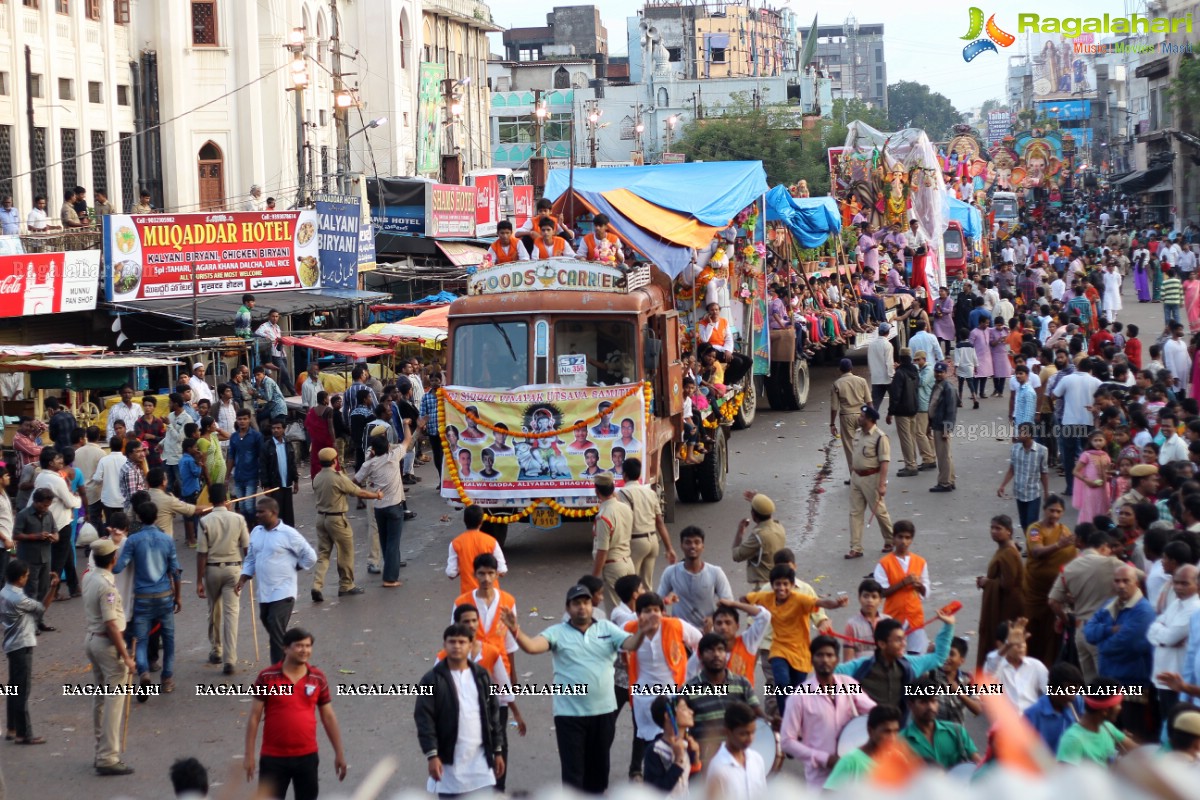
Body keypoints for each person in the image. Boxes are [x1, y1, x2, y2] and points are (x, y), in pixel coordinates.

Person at [500, 584, 651, 794]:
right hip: (569, 716)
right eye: (577, 603)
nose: (582, 607)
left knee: (598, 777)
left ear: (592, 605)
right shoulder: (556, 633)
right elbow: (532, 647)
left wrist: (643, 630)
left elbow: (631, 644)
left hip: (604, 713)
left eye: (586, 602)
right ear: (568, 608)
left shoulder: (607, 629)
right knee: (573, 778)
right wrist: (515, 630)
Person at [244, 628, 347, 800]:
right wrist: (249, 756)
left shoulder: (318, 678)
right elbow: (254, 717)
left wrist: (339, 753)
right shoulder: (267, 677)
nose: (304, 650)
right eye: (299, 645)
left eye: (308, 646)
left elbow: (328, 717)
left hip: (307, 757)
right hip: (273, 758)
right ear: (285, 648)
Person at [415, 622, 507, 798]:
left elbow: (493, 716)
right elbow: (424, 718)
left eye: (461, 642)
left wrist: (497, 751)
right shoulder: (431, 680)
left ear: (470, 645)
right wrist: (432, 755)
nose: (457, 646)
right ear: (445, 645)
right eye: (452, 641)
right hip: (449, 770)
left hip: (480, 769)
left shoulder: (482, 676)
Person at [745, 564, 848, 715]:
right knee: (778, 684)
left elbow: (820, 605)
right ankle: (779, 719)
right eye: (778, 583)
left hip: (800, 653)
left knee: (795, 690)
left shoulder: (803, 594)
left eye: (785, 583)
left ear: (792, 581)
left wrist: (830, 613)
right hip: (772, 648)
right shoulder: (766, 593)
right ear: (773, 584)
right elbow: (749, 613)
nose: (781, 587)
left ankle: (795, 718)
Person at [779, 635, 875, 786]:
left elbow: (873, 711)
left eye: (829, 655)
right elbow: (786, 741)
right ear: (811, 660)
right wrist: (823, 758)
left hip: (852, 771)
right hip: (820, 778)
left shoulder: (848, 684)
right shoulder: (799, 696)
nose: (825, 660)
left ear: (837, 660)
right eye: (819, 655)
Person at [236, 498, 317, 665]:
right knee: (272, 627)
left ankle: (280, 674)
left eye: (261, 512)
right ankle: (292, 657)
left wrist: (296, 567)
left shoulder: (288, 533)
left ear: (273, 513)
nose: (257, 515)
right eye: (257, 511)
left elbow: (310, 556)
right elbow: (251, 558)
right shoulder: (256, 532)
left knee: (275, 629)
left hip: (283, 591)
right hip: (264, 593)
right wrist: (243, 577)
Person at [623, 593, 704, 759]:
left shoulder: (676, 626)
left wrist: (690, 671)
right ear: (638, 615)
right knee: (651, 745)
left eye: (656, 610)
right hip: (643, 697)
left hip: (672, 693)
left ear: (663, 612)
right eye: (647, 611)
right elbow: (619, 648)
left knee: (676, 740)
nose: (653, 614)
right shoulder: (629, 629)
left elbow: (701, 643)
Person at [113, 501, 181, 696]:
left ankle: (143, 672)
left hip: (142, 597)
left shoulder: (133, 540)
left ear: (139, 518)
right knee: (168, 639)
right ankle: (167, 679)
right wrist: (178, 596)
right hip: (164, 595)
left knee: (140, 639)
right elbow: (175, 571)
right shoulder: (166, 540)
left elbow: (119, 567)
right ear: (156, 516)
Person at [83, 538, 137, 775]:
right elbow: (112, 624)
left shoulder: (88, 577)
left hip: (92, 639)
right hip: (107, 644)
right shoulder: (107, 587)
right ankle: (108, 756)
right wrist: (126, 656)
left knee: (101, 699)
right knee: (114, 703)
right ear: (113, 559)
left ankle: (99, 749)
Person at [835, 609, 957, 712]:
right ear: (882, 644)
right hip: (866, 732)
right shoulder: (860, 667)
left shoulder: (910, 665)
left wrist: (948, 626)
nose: (904, 644)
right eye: (898, 640)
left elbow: (939, 657)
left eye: (904, 639)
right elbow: (827, 677)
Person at [1084, 564, 1155, 738]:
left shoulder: (1143, 611)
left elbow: (1124, 645)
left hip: (1132, 686)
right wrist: (1109, 630)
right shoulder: (1110, 604)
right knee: (1108, 735)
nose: (1121, 585)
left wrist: (1101, 641)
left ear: (1136, 583)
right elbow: (1088, 632)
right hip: (1109, 681)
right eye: (1117, 581)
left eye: (1126, 581)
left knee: (1132, 737)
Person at [311, 448, 378, 603]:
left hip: (321, 518)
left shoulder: (317, 478)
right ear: (335, 460)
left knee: (323, 554)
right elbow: (358, 492)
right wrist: (376, 495)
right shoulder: (337, 478)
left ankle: (317, 585)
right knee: (345, 552)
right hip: (337, 519)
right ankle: (346, 585)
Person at [195, 483, 248, 675]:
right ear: (226, 499)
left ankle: (216, 650)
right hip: (234, 569)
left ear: (210, 499)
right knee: (231, 614)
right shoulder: (238, 519)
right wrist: (247, 572)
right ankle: (230, 659)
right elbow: (246, 548)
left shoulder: (204, 521)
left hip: (212, 569)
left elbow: (201, 553)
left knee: (214, 610)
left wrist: (199, 581)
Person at [355, 426, 411, 588]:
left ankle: (388, 567)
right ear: (387, 445)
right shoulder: (393, 457)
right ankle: (390, 578)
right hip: (394, 506)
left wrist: (361, 494)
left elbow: (355, 482)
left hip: (378, 506)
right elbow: (407, 440)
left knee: (385, 540)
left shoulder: (369, 463)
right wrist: (406, 424)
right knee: (393, 542)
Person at [1, 559, 45, 744]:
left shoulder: (4, 592)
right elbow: (41, 609)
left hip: (11, 644)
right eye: (26, 576)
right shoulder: (19, 599)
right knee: (22, 690)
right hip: (22, 644)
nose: (27, 579)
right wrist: (52, 589)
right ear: (20, 579)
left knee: (13, 688)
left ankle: (11, 727)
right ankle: (24, 732)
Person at [658, 526, 734, 629]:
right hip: (679, 631)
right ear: (681, 546)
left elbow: (728, 602)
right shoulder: (671, 572)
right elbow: (658, 601)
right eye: (688, 542)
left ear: (703, 546)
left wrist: (714, 618)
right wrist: (663, 614)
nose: (692, 546)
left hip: (707, 634)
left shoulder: (716, 572)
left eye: (697, 542)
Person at [1149, 564, 1200, 713]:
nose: (1178, 587)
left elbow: (1170, 637)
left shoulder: (1194, 609)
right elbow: (1152, 631)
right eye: (1176, 583)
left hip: (1181, 682)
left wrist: (1163, 635)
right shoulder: (1181, 608)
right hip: (1178, 686)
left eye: (1184, 583)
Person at [976, 514, 1025, 668]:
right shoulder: (1005, 549)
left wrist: (987, 582)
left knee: (999, 642)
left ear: (1009, 531)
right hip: (1002, 604)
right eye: (992, 528)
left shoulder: (1009, 552)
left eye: (998, 528)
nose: (994, 531)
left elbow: (1009, 584)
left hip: (1005, 607)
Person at [619, 457, 676, 588]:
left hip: (636, 542)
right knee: (647, 585)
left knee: (631, 586)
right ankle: (650, 607)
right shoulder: (650, 493)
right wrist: (669, 548)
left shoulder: (624, 493)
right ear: (639, 474)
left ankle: (634, 609)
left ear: (624, 475)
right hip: (653, 541)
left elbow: (624, 520)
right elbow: (660, 522)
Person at [874, 520, 929, 654]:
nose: (903, 541)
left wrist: (920, 586)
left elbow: (926, 590)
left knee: (916, 657)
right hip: (893, 617)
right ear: (893, 539)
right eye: (900, 537)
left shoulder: (920, 562)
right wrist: (903, 583)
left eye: (907, 538)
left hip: (915, 617)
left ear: (911, 540)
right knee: (894, 654)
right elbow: (881, 593)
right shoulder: (884, 564)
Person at [846, 405, 894, 559]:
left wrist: (882, 484)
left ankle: (890, 540)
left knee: (879, 511)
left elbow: (884, 462)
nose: (859, 418)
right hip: (856, 478)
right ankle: (856, 547)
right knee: (855, 513)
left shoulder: (880, 437)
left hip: (871, 478)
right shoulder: (858, 434)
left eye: (861, 416)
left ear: (870, 420)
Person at [900, 678, 980, 768]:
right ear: (910, 705)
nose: (930, 707)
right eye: (923, 702)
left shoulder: (957, 731)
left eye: (933, 701)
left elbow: (977, 762)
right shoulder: (901, 741)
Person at [823, 704, 903, 789]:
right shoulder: (850, 762)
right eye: (887, 732)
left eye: (896, 732)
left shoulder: (898, 759)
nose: (892, 738)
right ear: (870, 731)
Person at [1056, 679, 1130, 764]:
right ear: (1105, 711)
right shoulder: (1073, 740)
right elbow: (1066, 776)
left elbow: (1140, 751)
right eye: (1118, 704)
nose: (1120, 708)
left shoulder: (1107, 728)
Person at [998, 422, 1051, 537]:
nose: (1020, 434)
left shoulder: (1042, 450)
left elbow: (1044, 472)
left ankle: (1034, 546)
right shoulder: (1015, 449)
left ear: (1031, 435)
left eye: (1023, 432)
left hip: (1033, 493)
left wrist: (1046, 492)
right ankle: (1030, 544)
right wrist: (1003, 485)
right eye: (1019, 431)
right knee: (1023, 522)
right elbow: (1012, 469)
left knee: (1033, 523)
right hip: (1019, 491)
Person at [705, 701, 767, 800]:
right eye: (743, 734)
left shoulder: (757, 759)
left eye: (753, 732)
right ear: (727, 732)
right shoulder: (718, 768)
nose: (750, 738)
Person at [589, 473, 634, 609]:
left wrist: (595, 579)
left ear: (596, 491)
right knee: (631, 611)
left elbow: (602, 551)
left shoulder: (603, 516)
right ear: (613, 488)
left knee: (616, 615)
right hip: (628, 563)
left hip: (613, 569)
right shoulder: (625, 508)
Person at [642, 694, 698, 796]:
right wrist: (678, 761)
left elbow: (691, 783)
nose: (691, 712)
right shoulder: (655, 750)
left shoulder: (687, 745)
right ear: (668, 715)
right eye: (684, 709)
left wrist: (696, 758)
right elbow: (655, 792)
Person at [732, 492, 785, 587]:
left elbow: (736, 555)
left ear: (753, 515)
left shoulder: (758, 537)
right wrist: (758, 500)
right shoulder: (779, 527)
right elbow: (767, 512)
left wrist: (740, 532)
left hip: (762, 587)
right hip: (777, 582)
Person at [830, 358, 871, 480]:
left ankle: (855, 475)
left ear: (840, 370)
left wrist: (832, 424)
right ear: (851, 368)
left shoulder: (837, 384)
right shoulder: (862, 381)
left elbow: (834, 407)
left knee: (850, 447)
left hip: (846, 416)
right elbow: (869, 402)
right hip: (861, 415)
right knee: (864, 443)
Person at [259, 418, 299, 527]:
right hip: (274, 485)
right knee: (277, 512)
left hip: (287, 483)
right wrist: (266, 486)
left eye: (278, 428)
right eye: (273, 428)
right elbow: (263, 467)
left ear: (284, 429)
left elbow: (292, 463)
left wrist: (296, 480)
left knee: (288, 513)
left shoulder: (288, 444)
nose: (276, 430)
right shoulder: (267, 446)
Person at [927, 361, 958, 492]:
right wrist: (929, 424)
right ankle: (950, 480)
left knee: (943, 456)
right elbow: (933, 406)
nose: (938, 374)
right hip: (937, 424)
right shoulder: (937, 386)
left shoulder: (948, 388)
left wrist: (946, 429)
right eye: (937, 372)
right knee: (946, 455)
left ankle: (944, 483)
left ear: (946, 373)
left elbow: (951, 411)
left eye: (941, 372)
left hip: (942, 427)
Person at [304, 392, 336, 480]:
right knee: (330, 460)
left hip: (316, 442)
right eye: (328, 397)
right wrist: (334, 441)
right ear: (324, 399)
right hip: (327, 441)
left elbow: (307, 425)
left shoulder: (312, 410)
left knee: (317, 461)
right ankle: (330, 481)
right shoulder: (328, 410)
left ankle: (317, 481)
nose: (328, 399)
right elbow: (330, 427)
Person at [867, 324, 895, 408]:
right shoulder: (887, 345)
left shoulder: (871, 345)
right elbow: (889, 363)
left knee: (874, 406)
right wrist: (892, 376)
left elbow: (870, 361)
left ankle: (871, 420)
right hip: (887, 379)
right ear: (888, 333)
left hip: (876, 378)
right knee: (895, 403)